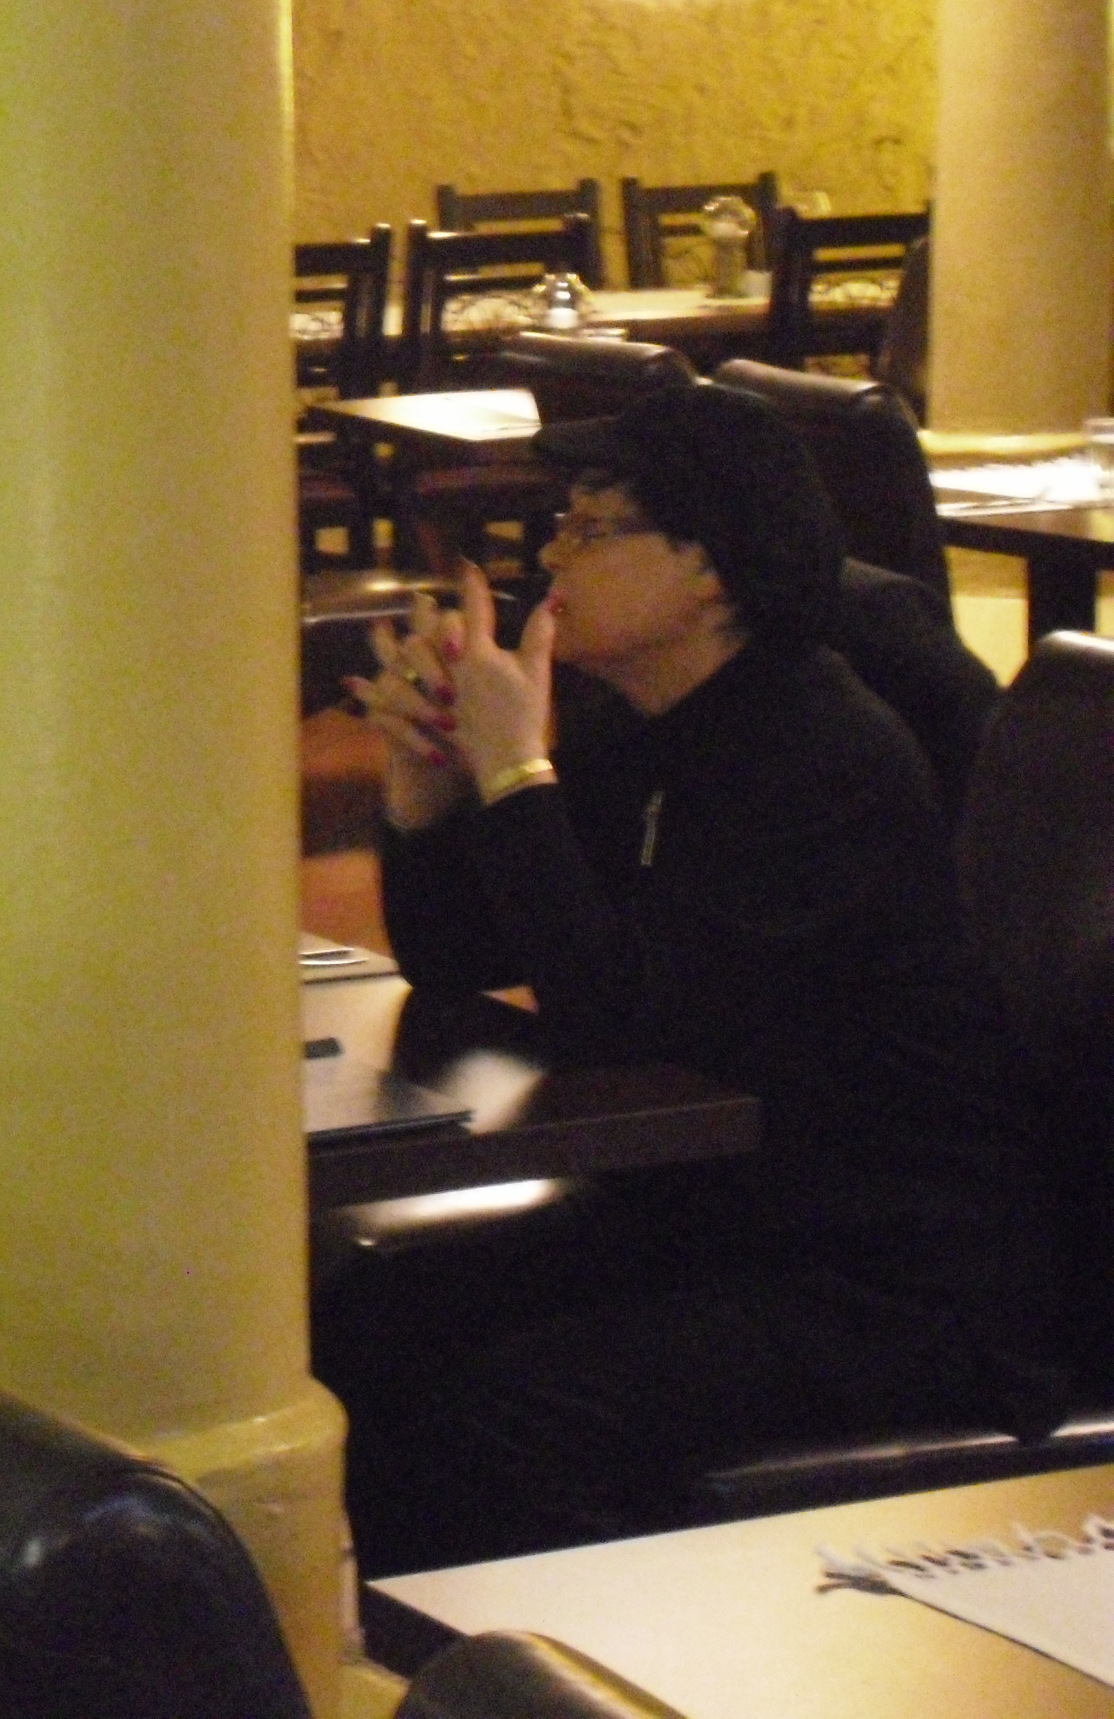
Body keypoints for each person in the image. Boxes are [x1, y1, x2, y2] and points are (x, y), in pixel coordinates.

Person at [319, 382, 1063, 1576]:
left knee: (511, 1411)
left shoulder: (820, 754)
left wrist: (516, 775)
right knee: (365, 1316)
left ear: (709, 568)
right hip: (721, 1211)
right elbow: (460, 961)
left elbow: (614, 1020)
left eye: (590, 526)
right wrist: (429, 790)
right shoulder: (635, 725)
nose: (550, 557)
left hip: (892, 1271)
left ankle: (540, 1665)